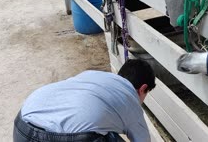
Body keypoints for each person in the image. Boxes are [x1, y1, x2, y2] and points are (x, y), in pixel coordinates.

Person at [13, 59, 156, 142]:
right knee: (110, 137)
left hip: (22, 127)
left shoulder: (91, 75)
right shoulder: (130, 101)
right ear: (143, 88)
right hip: (64, 139)